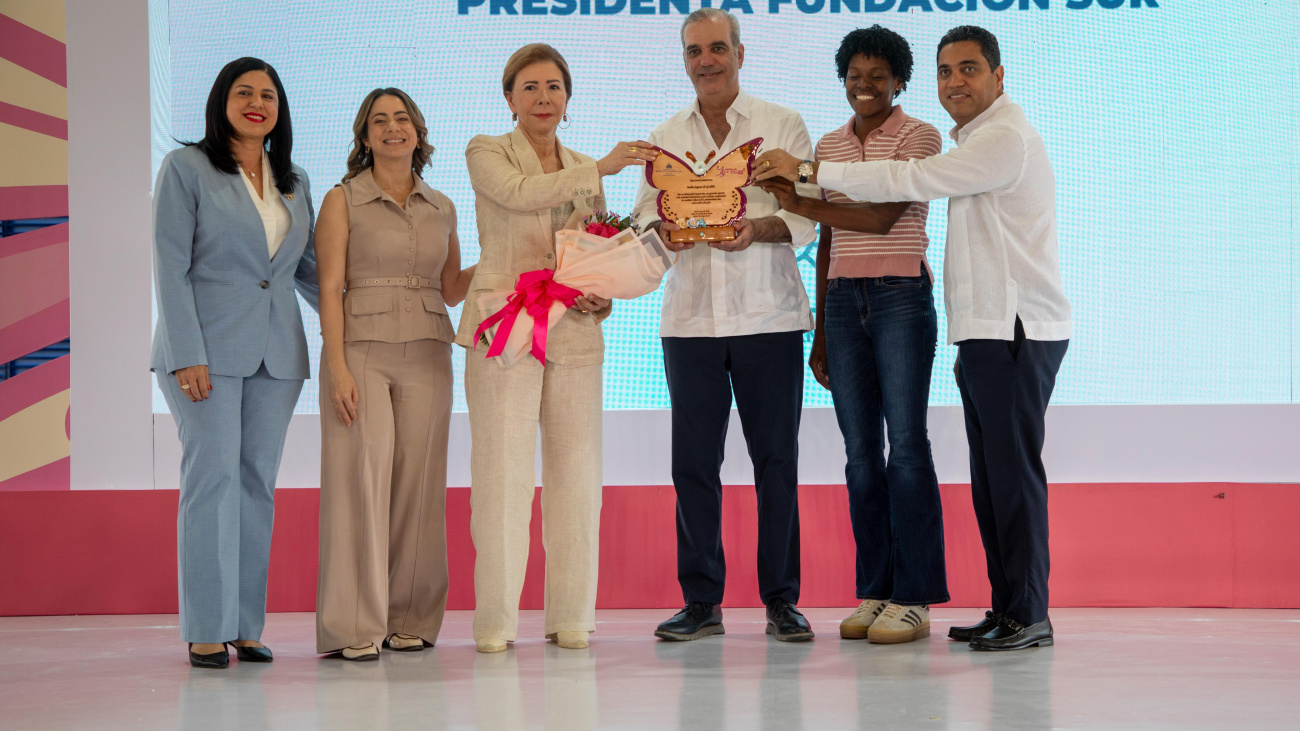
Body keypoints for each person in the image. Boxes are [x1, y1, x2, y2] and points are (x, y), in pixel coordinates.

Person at [756, 25, 1072, 651]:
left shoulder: (1002, 139)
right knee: (991, 478)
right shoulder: (974, 139)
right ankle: (1007, 608)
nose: (955, 81)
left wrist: (809, 176)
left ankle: (1027, 613)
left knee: (1008, 476)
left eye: (969, 69)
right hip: (982, 331)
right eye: (946, 71)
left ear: (999, 75)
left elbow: (903, 188)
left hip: (1014, 327)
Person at [456, 43, 656, 653]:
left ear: (568, 99)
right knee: (503, 475)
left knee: (577, 475)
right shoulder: (487, 150)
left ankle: (572, 616)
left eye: (554, 87)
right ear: (509, 98)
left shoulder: (581, 166)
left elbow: (593, 249)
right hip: (505, 327)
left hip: (573, 330)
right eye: (531, 87)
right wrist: (602, 168)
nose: (544, 97)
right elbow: (518, 193)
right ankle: (495, 623)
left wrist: (602, 294)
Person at [632, 8, 819, 643]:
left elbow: (807, 215)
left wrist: (757, 228)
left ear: (741, 53)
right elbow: (644, 220)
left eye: (717, 48)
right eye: (694, 51)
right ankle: (701, 602)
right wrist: (663, 233)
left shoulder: (781, 124)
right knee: (693, 466)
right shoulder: (664, 136)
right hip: (690, 323)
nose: (705, 61)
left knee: (776, 461)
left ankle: (782, 600)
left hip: (769, 318)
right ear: (684, 60)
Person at [757, 25, 948, 645]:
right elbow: (831, 239)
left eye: (877, 76)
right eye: (854, 76)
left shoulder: (921, 136)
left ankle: (914, 598)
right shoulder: (830, 144)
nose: (864, 86)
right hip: (842, 303)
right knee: (861, 454)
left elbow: (882, 214)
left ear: (900, 81)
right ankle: (877, 590)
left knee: (907, 447)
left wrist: (800, 200)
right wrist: (820, 329)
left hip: (900, 296)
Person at [151, 57, 319, 669]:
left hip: (278, 355)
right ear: (221, 101)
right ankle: (206, 627)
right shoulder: (186, 168)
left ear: (280, 109)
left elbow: (307, 271)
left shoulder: (294, 179)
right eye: (244, 92)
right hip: (205, 354)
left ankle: (246, 626)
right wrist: (186, 354)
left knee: (255, 485)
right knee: (212, 481)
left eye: (268, 95)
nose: (256, 103)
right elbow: (170, 265)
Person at [313, 88, 475, 661]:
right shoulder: (342, 200)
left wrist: (507, 262)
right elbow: (329, 287)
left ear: (418, 132)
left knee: (420, 485)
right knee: (361, 481)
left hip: (429, 351)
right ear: (365, 136)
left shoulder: (443, 206)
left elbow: (452, 288)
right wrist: (336, 367)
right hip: (361, 352)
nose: (392, 128)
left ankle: (411, 618)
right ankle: (353, 625)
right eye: (379, 121)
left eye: (401, 118)